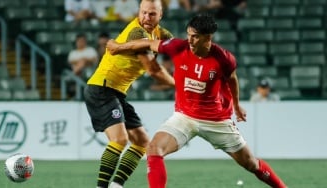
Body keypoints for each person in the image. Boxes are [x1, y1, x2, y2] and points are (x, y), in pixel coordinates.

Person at [107, 13, 288, 188]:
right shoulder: (178, 47)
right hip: (184, 117)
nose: (190, 41)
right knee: (154, 149)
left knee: (251, 164)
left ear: (207, 37)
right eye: (188, 35)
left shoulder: (224, 59)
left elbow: (232, 79)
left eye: (195, 37)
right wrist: (117, 47)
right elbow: (148, 43)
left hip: (216, 120)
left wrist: (237, 105)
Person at [83, 0, 174, 188]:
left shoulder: (160, 33)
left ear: (160, 15)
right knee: (120, 139)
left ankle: (116, 186)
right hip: (102, 87)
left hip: (117, 92)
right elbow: (153, 69)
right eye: (143, 13)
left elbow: (177, 49)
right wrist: (179, 84)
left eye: (152, 14)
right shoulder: (137, 32)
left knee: (142, 142)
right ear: (138, 12)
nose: (146, 18)